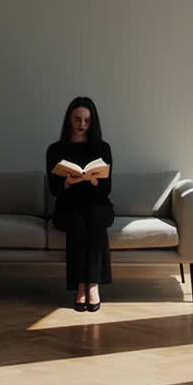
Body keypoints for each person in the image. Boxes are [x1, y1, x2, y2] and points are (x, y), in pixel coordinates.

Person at [46, 96, 114, 312]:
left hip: (97, 205)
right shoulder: (55, 150)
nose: (82, 125)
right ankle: (80, 286)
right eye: (77, 119)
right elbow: (54, 190)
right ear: (69, 120)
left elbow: (106, 189)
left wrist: (93, 180)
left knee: (94, 218)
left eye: (86, 120)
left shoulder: (103, 148)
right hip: (68, 207)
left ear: (92, 122)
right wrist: (66, 182)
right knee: (77, 221)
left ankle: (92, 285)